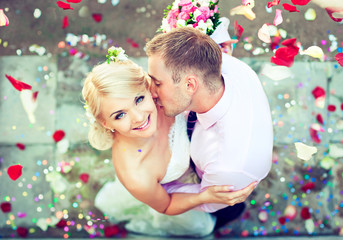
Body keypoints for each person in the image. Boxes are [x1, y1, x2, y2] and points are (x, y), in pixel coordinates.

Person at [81, 47, 256, 236]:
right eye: (120, 114)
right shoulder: (136, 174)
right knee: (215, 220)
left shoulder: (162, 95)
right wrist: (204, 196)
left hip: (204, 160)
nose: (139, 117)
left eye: (139, 99)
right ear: (106, 123)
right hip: (178, 193)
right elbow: (167, 205)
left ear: (147, 88)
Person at [145, 26, 273, 228]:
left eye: (157, 83)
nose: (150, 92)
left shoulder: (228, 168)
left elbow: (200, 201)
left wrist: (144, 186)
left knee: (226, 213)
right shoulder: (227, 65)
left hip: (221, 194)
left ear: (190, 85)